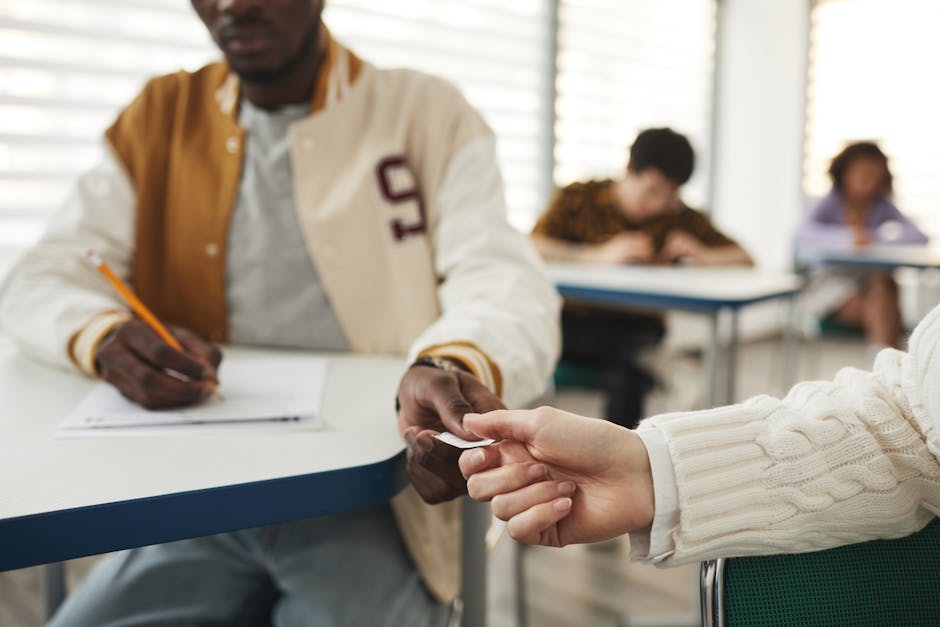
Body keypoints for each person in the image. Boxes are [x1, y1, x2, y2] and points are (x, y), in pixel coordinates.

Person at [0, 1, 560, 625]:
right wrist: (100, 335)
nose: (233, 4)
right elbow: (42, 275)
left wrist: (452, 358)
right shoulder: (159, 117)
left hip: (370, 502)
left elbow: (503, 278)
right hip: (194, 496)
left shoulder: (424, 112)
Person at [458, 301, 940, 565]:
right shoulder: (584, 202)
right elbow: (909, 423)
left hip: (630, 336)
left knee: (629, 362)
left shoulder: (674, 218)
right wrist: (646, 470)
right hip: (582, 331)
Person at [530, 127, 752, 428]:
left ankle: (617, 451)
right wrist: (598, 255)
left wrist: (702, 254)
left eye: (669, 195)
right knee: (633, 364)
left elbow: (745, 258)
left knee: (630, 368)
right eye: (652, 190)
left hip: (639, 328)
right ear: (629, 170)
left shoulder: (679, 217)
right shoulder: (579, 198)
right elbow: (533, 245)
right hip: (573, 324)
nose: (659, 204)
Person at [796, 141, 928, 359]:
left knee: (884, 283)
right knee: (885, 314)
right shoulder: (828, 203)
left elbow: (919, 236)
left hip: (869, 283)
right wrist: (847, 238)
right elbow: (800, 235)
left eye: (875, 175)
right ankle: (888, 362)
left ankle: (884, 359)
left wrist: (874, 239)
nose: (868, 181)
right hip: (828, 286)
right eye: (862, 173)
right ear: (844, 173)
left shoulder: (881, 205)